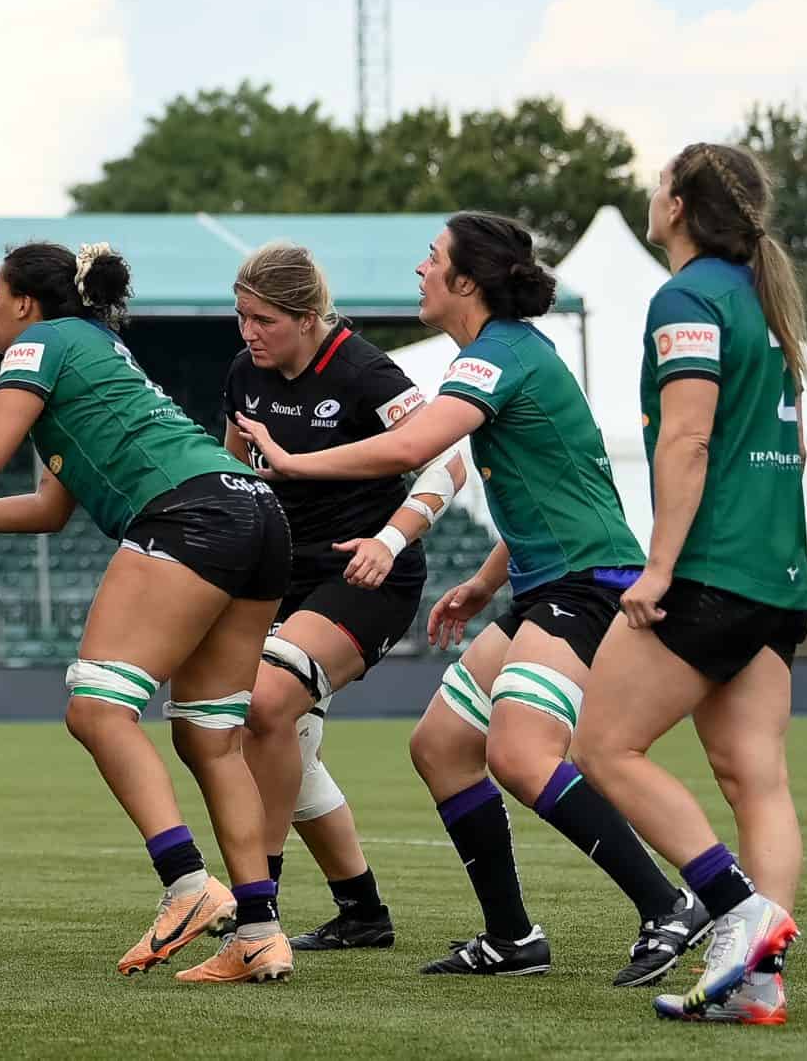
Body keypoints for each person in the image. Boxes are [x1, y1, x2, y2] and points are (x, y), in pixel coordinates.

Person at [240, 212, 697, 986]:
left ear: (467, 281)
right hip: (549, 579)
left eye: (432, 257)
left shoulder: (496, 356)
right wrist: (486, 581)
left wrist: (293, 460)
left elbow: (415, 449)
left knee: (520, 755)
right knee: (442, 745)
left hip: (589, 582)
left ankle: (670, 905)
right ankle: (513, 938)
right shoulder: (503, 354)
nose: (420, 270)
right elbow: (549, 488)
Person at [0, 242, 296, 985]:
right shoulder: (95, 346)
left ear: (26, 302)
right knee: (209, 739)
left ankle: (188, 884)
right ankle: (259, 932)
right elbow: (46, 510)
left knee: (96, 708)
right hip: (255, 512)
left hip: (188, 515)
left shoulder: (38, 342)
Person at [570, 144, 807, 1024]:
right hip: (779, 572)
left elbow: (687, 439)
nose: (650, 192)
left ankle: (739, 912)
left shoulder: (688, 295)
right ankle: (758, 984)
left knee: (600, 747)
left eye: (657, 182)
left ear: (677, 204)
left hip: (710, 568)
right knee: (757, 778)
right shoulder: (761, 297)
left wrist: (661, 565)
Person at [222, 241, 469, 952]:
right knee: (283, 740)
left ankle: (254, 907)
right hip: (283, 580)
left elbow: (448, 459)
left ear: (306, 317)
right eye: (240, 317)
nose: (248, 334)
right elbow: (231, 476)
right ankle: (362, 910)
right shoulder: (245, 374)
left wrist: (390, 539)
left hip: (369, 575)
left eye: (262, 319)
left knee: (267, 706)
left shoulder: (365, 369)